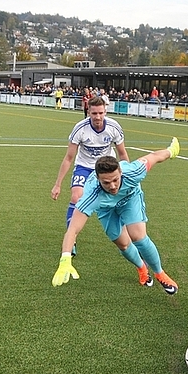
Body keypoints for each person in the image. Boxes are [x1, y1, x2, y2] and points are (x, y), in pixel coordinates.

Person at [51, 137, 181, 294]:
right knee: (123, 244)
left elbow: (154, 157)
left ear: (120, 171)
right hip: (106, 209)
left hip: (129, 200)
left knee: (138, 236)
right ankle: (141, 267)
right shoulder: (91, 195)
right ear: (98, 179)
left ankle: (160, 273)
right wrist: (65, 259)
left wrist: (171, 151)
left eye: (115, 180)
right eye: (106, 182)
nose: (112, 186)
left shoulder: (134, 171)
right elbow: (73, 230)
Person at [52, 96, 129, 257]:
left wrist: (127, 175)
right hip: (84, 167)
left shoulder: (114, 127)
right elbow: (68, 158)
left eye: (101, 113)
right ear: (88, 112)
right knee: (76, 197)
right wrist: (58, 184)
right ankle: (71, 239)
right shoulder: (80, 129)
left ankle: (128, 235)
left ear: (105, 111)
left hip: (106, 168)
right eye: (94, 113)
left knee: (117, 201)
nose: (98, 117)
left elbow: (122, 154)